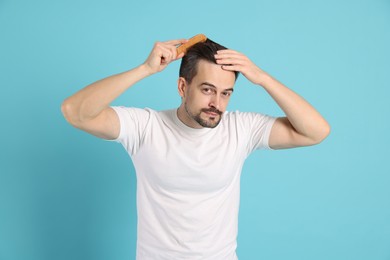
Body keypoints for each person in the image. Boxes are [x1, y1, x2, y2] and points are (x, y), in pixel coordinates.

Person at [61, 37, 330, 260]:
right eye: (207, 89)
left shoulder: (241, 129)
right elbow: (76, 112)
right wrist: (145, 69)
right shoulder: (146, 126)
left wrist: (262, 78)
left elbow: (316, 131)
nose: (217, 102)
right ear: (182, 86)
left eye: (226, 93)